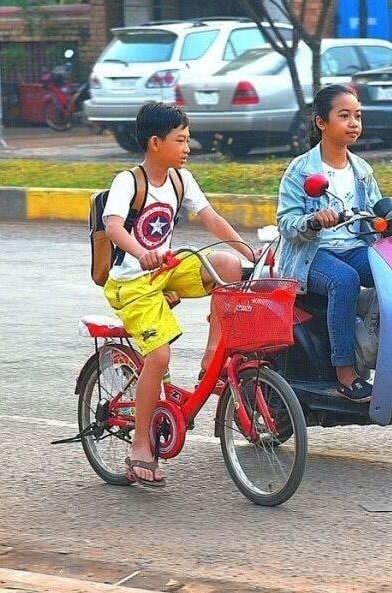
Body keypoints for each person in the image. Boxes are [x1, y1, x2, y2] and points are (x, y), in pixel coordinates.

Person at [102, 102, 256, 487]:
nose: (188, 147)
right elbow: (114, 227)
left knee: (228, 268)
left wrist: (248, 251)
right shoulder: (129, 181)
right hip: (131, 281)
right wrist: (142, 253)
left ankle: (212, 356)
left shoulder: (180, 179)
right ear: (156, 143)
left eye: (188, 139)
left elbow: (212, 218)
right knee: (159, 355)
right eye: (181, 140)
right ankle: (139, 445)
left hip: (166, 270)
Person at [274, 84, 392, 403]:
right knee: (345, 280)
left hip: (354, 249)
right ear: (321, 123)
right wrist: (312, 221)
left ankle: (391, 352)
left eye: (358, 116)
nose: (354, 123)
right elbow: (286, 222)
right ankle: (345, 372)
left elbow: (380, 211)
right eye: (344, 116)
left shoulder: (361, 170)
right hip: (312, 256)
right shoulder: (301, 170)